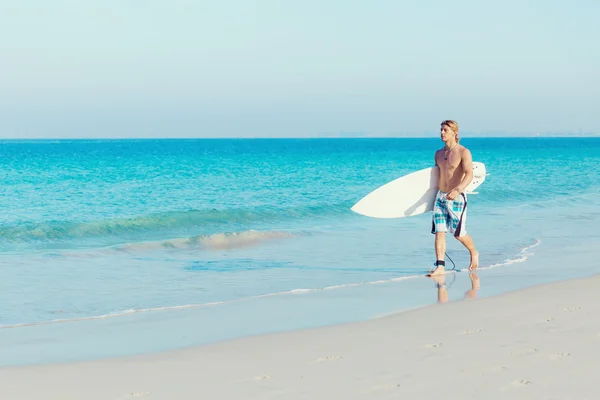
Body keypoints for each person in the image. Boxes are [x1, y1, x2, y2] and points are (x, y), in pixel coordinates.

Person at [428, 120, 479, 276]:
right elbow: (435, 176)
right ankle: (440, 266)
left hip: (456, 196)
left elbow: (469, 174)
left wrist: (458, 190)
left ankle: (474, 252)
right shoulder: (438, 153)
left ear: (454, 133)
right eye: (441, 130)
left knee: (458, 234)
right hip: (440, 196)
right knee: (439, 231)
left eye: (445, 130)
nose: (442, 133)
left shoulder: (463, 152)